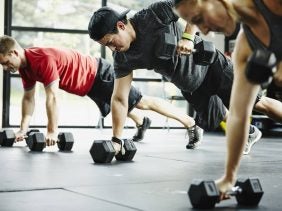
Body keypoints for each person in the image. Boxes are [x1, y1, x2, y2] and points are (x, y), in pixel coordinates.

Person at [88, 0, 282, 156]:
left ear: (121, 26)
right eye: (107, 46)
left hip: (212, 67)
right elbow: (120, 98)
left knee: (257, 103)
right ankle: (249, 133)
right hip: (190, 85)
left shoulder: (154, 14)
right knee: (217, 117)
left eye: (111, 42)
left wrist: (188, 37)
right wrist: (116, 139)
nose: (112, 49)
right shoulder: (122, 58)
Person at [0, 35, 199, 149]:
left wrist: (52, 131)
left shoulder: (41, 59)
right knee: (120, 107)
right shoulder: (25, 68)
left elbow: (52, 97)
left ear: (14, 52)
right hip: (89, 85)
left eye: (6, 62)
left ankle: (191, 124)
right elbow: (28, 99)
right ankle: (141, 122)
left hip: (98, 75)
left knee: (140, 101)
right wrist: (23, 129)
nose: (6, 67)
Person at [174, 0, 282, 199]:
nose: (205, 32)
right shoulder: (245, 45)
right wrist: (229, 177)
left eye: (199, 19)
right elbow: (239, 115)